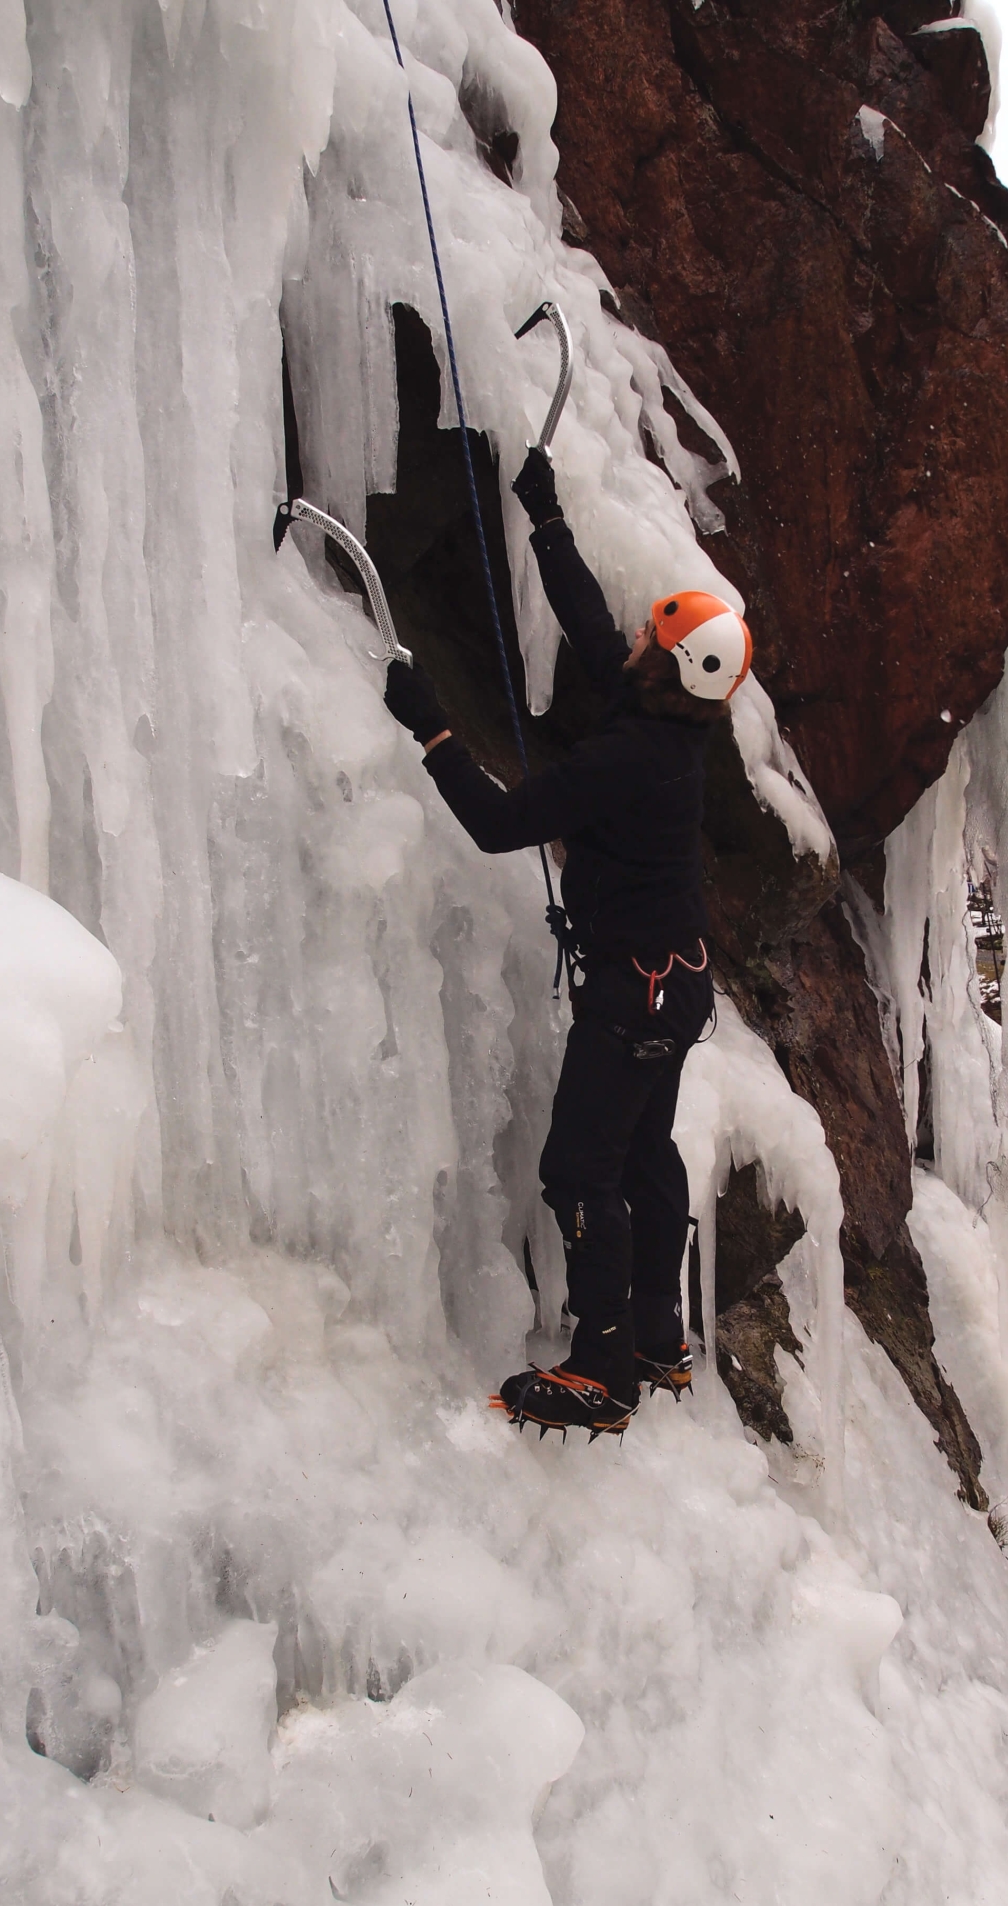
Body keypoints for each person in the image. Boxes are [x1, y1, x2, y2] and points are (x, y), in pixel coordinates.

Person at [382, 447, 752, 1436]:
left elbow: (502, 825)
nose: (635, 636)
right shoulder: (669, 717)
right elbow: (595, 636)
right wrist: (546, 523)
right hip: (673, 989)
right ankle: (660, 1335)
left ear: (668, 667)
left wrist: (432, 733)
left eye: (653, 635)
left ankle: (603, 1368)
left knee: (580, 1173)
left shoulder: (634, 756)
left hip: (633, 999)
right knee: (641, 1160)